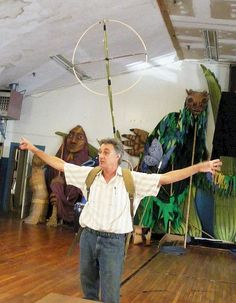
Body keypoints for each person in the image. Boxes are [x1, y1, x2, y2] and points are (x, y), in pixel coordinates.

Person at [19, 137, 222, 303]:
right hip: (88, 237)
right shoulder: (89, 175)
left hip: (113, 243)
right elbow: (61, 165)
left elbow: (167, 177)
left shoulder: (132, 179)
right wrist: (34, 149)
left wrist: (199, 168)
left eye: (106, 152)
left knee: (110, 294)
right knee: (88, 291)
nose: (100, 155)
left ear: (117, 156)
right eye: (99, 152)